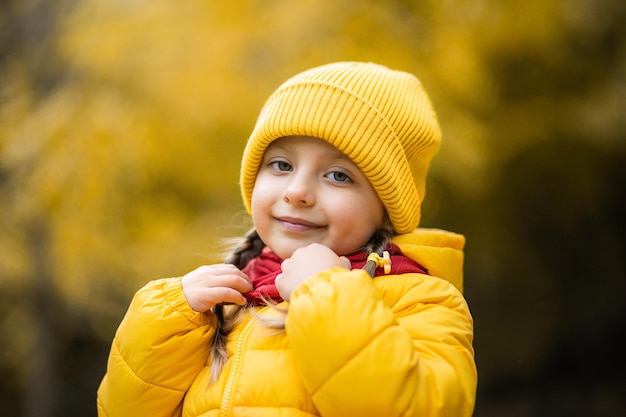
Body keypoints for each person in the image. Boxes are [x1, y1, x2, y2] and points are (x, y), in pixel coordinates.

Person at [97, 61, 477, 417]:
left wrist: (327, 295)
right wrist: (163, 321)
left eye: (338, 175)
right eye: (281, 165)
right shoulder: (225, 302)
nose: (297, 191)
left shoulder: (420, 301)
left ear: (386, 206)